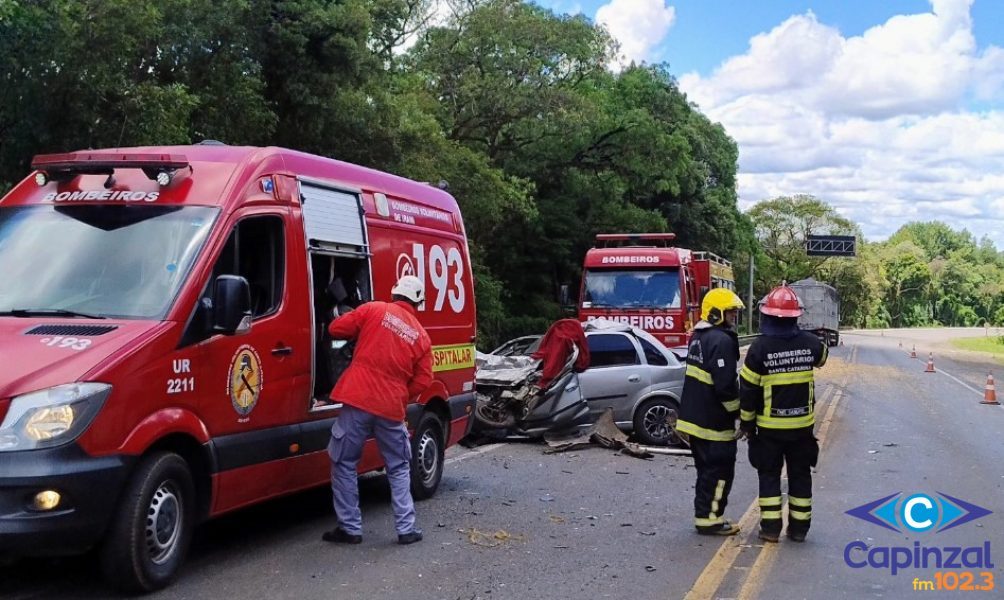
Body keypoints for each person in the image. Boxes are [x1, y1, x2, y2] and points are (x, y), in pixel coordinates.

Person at [322, 275, 433, 545]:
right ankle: (406, 529)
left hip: (358, 398)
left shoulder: (374, 309)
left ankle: (350, 529)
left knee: (344, 462)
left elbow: (336, 329)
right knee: (398, 466)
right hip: (391, 408)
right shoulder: (422, 337)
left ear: (395, 293)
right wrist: (399, 394)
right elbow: (424, 379)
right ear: (418, 302)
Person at [739, 284, 827, 543]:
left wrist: (746, 423)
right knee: (800, 477)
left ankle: (770, 529)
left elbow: (747, 391)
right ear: (795, 317)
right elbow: (822, 358)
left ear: (767, 316)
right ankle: (799, 530)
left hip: (768, 430)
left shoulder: (758, 349)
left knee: (769, 477)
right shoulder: (810, 344)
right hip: (802, 429)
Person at [676, 288, 745, 536]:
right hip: (714, 423)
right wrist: (739, 413)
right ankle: (711, 520)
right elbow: (725, 386)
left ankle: (703, 515)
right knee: (720, 472)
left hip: (695, 421)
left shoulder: (698, 336)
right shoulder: (721, 340)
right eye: (731, 312)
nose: (734, 317)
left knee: (706, 472)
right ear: (717, 313)